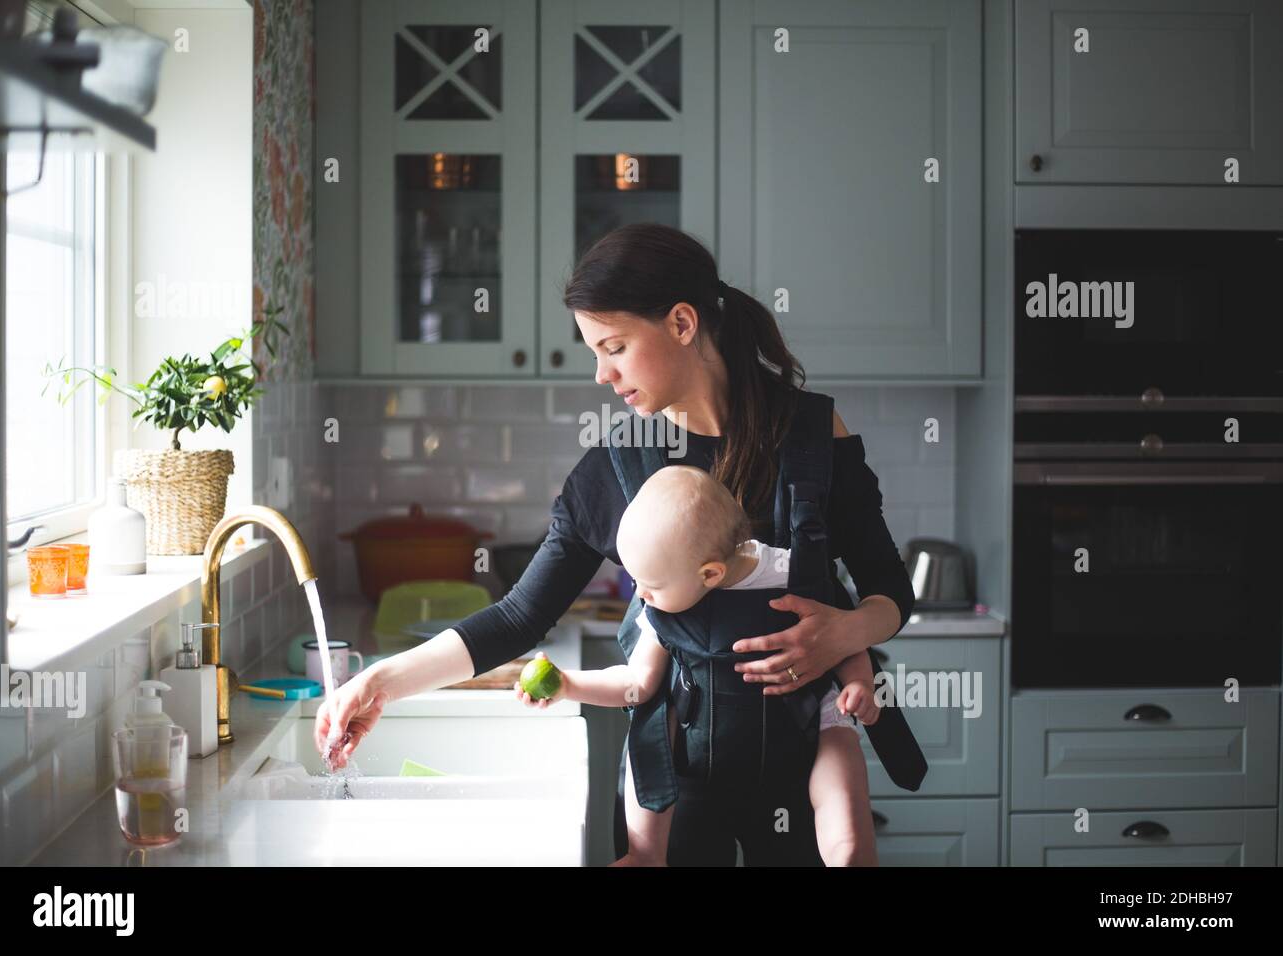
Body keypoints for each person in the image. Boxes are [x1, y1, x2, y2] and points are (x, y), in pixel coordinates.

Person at [315, 222, 917, 865]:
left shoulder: (811, 432)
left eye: (616, 346)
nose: (602, 374)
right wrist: (379, 682)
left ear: (683, 324)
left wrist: (847, 632)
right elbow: (519, 617)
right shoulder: (615, 469)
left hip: (807, 765)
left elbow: (892, 591)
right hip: (676, 787)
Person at [513, 464, 881, 866]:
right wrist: (567, 685)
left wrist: (858, 683)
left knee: (840, 744)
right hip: (704, 744)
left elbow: (843, 636)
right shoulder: (663, 606)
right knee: (651, 728)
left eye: (650, 585)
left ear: (710, 574)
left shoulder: (794, 574)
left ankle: (847, 849)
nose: (642, 595)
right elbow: (637, 682)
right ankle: (644, 853)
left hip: (801, 726)